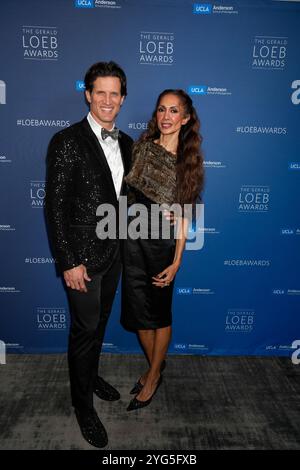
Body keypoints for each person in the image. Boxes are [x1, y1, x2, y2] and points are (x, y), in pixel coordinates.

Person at [45, 61, 133, 448]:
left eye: (115, 93)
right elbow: (55, 208)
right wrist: (68, 262)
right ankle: (83, 405)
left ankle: (90, 375)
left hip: (114, 256)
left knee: (98, 328)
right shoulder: (67, 141)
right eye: (101, 92)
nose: (108, 100)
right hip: (81, 261)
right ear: (88, 94)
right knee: (84, 332)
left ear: (123, 98)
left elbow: (129, 200)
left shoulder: (128, 143)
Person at [121, 89, 204, 411]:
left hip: (161, 245)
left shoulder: (189, 163)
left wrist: (177, 260)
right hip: (131, 239)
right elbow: (126, 195)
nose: (166, 117)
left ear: (185, 118)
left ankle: (153, 375)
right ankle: (156, 366)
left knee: (158, 314)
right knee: (139, 316)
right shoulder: (140, 149)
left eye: (173, 111)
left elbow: (184, 218)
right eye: (161, 110)